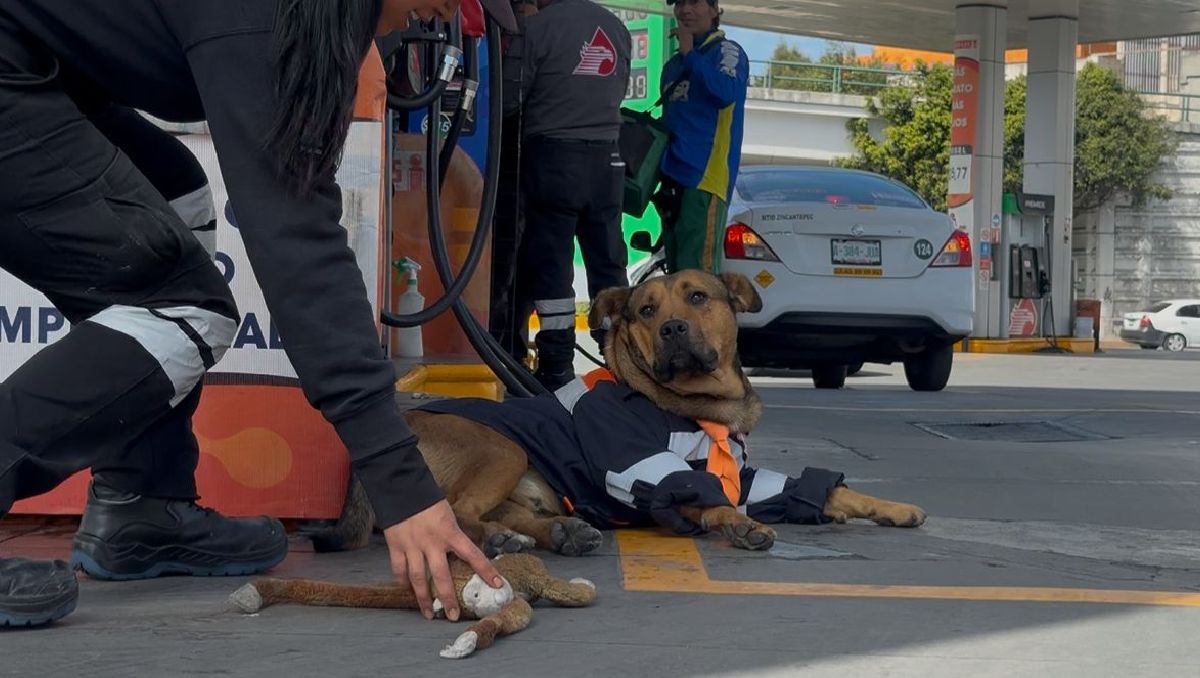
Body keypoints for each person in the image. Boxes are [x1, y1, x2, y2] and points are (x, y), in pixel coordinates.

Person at [0, 0, 517, 629]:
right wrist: (401, 483)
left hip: (36, 64)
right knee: (186, 305)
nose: (454, 14)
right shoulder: (271, 14)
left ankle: (143, 505)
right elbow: (296, 237)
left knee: (177, 199)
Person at [501, 0, 632, 390]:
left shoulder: (537, 28)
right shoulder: (615, 27)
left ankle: (557, 361)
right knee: (608, 258)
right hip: (608, 158)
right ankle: (620, 354)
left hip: (554, 157)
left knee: (552, 260)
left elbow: (509, 97)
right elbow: (619, 87)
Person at [654, 0, 749, 274]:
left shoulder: (727, 51)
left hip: (705, 177)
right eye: (679, 3)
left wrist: (691, 55)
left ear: (713, 9)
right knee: (676, 276)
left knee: (697, 277)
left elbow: (726, 91)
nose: (685, 10)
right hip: (671, 180)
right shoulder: (673, 65)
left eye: (694, 2)